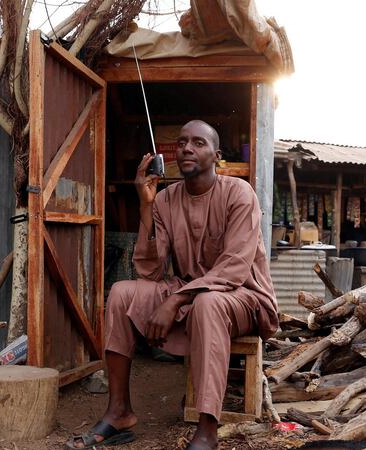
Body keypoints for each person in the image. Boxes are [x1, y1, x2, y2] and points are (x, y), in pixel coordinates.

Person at [67, 120, 279, 450]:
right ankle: (119, 410)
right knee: (122, 293)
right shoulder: (165, 199)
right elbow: (149, 271)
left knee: (209, 303)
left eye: (198, 143)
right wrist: (146, 203)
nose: (187, 149)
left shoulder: (239, 193)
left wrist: (174, 301)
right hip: (189, 292)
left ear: (216, 156)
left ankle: (207, 430)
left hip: (244, 296)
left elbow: (234, 269)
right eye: (181, 143)